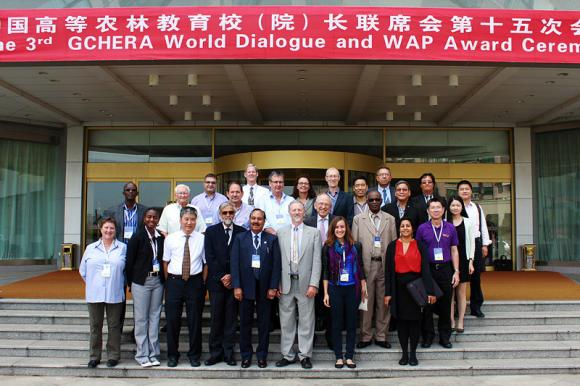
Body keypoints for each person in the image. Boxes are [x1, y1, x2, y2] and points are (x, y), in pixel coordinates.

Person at [231, 208, 281, 369]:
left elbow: (276, 265)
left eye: (259, 219)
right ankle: (246, 356)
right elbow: (235, 264)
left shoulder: (272, 239)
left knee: (264, 324)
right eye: (253, 218)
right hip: (245, 288)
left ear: (264, 221)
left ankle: (261, 356)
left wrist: (273, 287)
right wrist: (237, 286)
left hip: (265, 289)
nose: (256, 221)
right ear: (249, 220)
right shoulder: (240, 238)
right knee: (245, 323)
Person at [275, 200, 321, 370]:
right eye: (293, 210)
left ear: (304, 213)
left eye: (299, 210)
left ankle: (305, 355)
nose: (296, 212)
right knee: (286, 321)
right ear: (289, 212)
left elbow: (317, 260)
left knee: (307, 321)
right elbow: (277, 261)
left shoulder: (314, 233)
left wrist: (314, 284)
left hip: (305, 284)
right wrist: (276, 283)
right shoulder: (281, 233)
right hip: (285, 284)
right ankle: (287, 355)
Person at [384, 218, 435, 367]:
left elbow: (426, 269)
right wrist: (388, 293)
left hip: (416, 288)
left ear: (412, 229)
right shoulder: (392, 246)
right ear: (399, 229)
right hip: (398, 289)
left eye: (408, 225)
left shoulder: (420, 245)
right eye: (403, 226)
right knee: (401, 323)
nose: (405, 228)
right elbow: (388, 272)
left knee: (414, 322)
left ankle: (413, 353)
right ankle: (404, 354)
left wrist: (430, 291)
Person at [162, 206, 207, 368]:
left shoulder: (202, 239)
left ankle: (194, 355)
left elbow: (205, 263)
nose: (189, 222)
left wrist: (202, 282)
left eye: (192, 219)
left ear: (196, 221)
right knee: (173, 321)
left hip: (195, 283)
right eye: (186, 219)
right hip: (174, 283)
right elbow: (165, 262)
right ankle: (172, 355)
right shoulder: (171, 239)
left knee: (195, 321)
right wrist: (170, 282)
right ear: (180, 220)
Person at [351, 190, 397, 349]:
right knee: (366, 301)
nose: (375, 202)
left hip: (384, 266)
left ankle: (381, 335)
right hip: (366, 265)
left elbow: (394, 245)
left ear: (381, 200)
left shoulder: (390, 219)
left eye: (378, 199)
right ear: (367, 201)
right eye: (371, 200)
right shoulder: (358, 219)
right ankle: (365, 336)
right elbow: (355, 245)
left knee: (383, 302)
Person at [79, 217, 126, 368]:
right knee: (95, 326)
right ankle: (94, 356)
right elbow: (83, 271)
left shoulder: (122, 248)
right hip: (95, 293)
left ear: (115, 230)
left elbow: (126, 270)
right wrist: (94, 283)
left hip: (115, 292)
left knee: (114, 326)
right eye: (106, 228)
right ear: (100, 229)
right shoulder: (91, 248)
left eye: (111, 228)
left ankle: (113, 356)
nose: (108, 231)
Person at [204, 202, 246, 366]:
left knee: (230, 320)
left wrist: (232, 277)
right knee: (216, 319)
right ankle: (215, 353)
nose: (228, 215)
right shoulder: (211, 231)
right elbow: (210, 256)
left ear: (234, 214)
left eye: (231, 212)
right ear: (220, 214)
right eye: (225, 213)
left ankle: (228, 353)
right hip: (216, 283)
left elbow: (243, 258)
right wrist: (222, 276)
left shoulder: (242, 232)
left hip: (234, 283)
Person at [322, 216, 367, 369]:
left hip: (352, 288)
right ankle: (338, 356)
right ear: (333, 230)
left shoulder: (355, 246)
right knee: (336, 323)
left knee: (351, 323)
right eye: (337, 227)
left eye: (342, 227)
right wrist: (326, 293)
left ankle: (349, 356)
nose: (340, 230)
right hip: (335, 288)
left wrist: (363, 287)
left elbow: (360, 267)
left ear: (346, 229)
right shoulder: (328, 247)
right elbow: (326, 271)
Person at [416, 198, 460, 349]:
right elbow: (418, 252)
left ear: (443, 210)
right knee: (427, 305)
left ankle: (444, 337)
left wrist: (456, 271)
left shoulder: (450, 228)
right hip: (428, 270)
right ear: (428, 211)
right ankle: (428, 337)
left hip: (446, 269)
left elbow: (454, 250)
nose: (435, 210)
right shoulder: (422, 229)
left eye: (438, 207)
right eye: (432, 207)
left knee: (445, 305)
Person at [102, 181, 146, 336]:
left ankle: (138, 331)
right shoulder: (113, 211)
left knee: (139, 298)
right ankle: (116, 332)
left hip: (138, 259)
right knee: (118, 297)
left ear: (137, 193)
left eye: (133, 190)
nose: (130, 192)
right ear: (123, 192)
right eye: (128, 190)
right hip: (118, 256)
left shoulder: (144, 211)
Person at [125, 208, 164, 368]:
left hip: (158, 282)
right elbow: (129, 262)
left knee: (155, 318)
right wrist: (130, 283)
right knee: (141, 319)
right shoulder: (137, 237)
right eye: (149, 217)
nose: (152, 220)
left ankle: (153, 353)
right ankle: (142, 354)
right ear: (144, 219)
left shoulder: (160, 237)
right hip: (141, 281)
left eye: (155, 217)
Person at [457, 180, 491, 318]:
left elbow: (483, 226)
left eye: (467, 189)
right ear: (458, 192)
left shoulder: (477, 207)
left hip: (476, 243)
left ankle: (476, 306)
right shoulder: (454, 206)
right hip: (459, 244)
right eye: (461, 189)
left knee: (476, 276)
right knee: (459, 274)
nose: (464, 191)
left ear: (471, 191)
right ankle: (457, 306)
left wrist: (484, 244)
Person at [304, 194, 334, 347]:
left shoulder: (337, 221)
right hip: (311, 269)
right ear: (315, 206)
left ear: (330, 207)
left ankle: (331, 337)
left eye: (326, 204)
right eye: (320, 204)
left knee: (330, 305)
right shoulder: (307, 222)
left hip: (332, 269)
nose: (323, 207)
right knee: (312, 306)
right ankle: (311, 337)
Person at [447, 196, 475, 333]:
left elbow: (472, 243)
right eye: (453, 205)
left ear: (462, 207)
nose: (455, 208)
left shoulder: (468, 222)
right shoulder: (445, 222)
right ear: (449, 207)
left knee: (461, 293)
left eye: (458, 205)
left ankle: (461, 321)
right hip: (447, 260)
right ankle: (451, 320)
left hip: (463, 260)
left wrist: (471, 261)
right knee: (449, 293)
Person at [255, 170, 294, 235]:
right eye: (275, 182)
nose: (278, 185)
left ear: (283, 183)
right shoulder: (262, 200)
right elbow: (260, 218)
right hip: (268, 237)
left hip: (288, 237)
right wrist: (272, 232)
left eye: (280, 182)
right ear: (270, 183)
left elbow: (294, 219)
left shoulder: (291, 201)